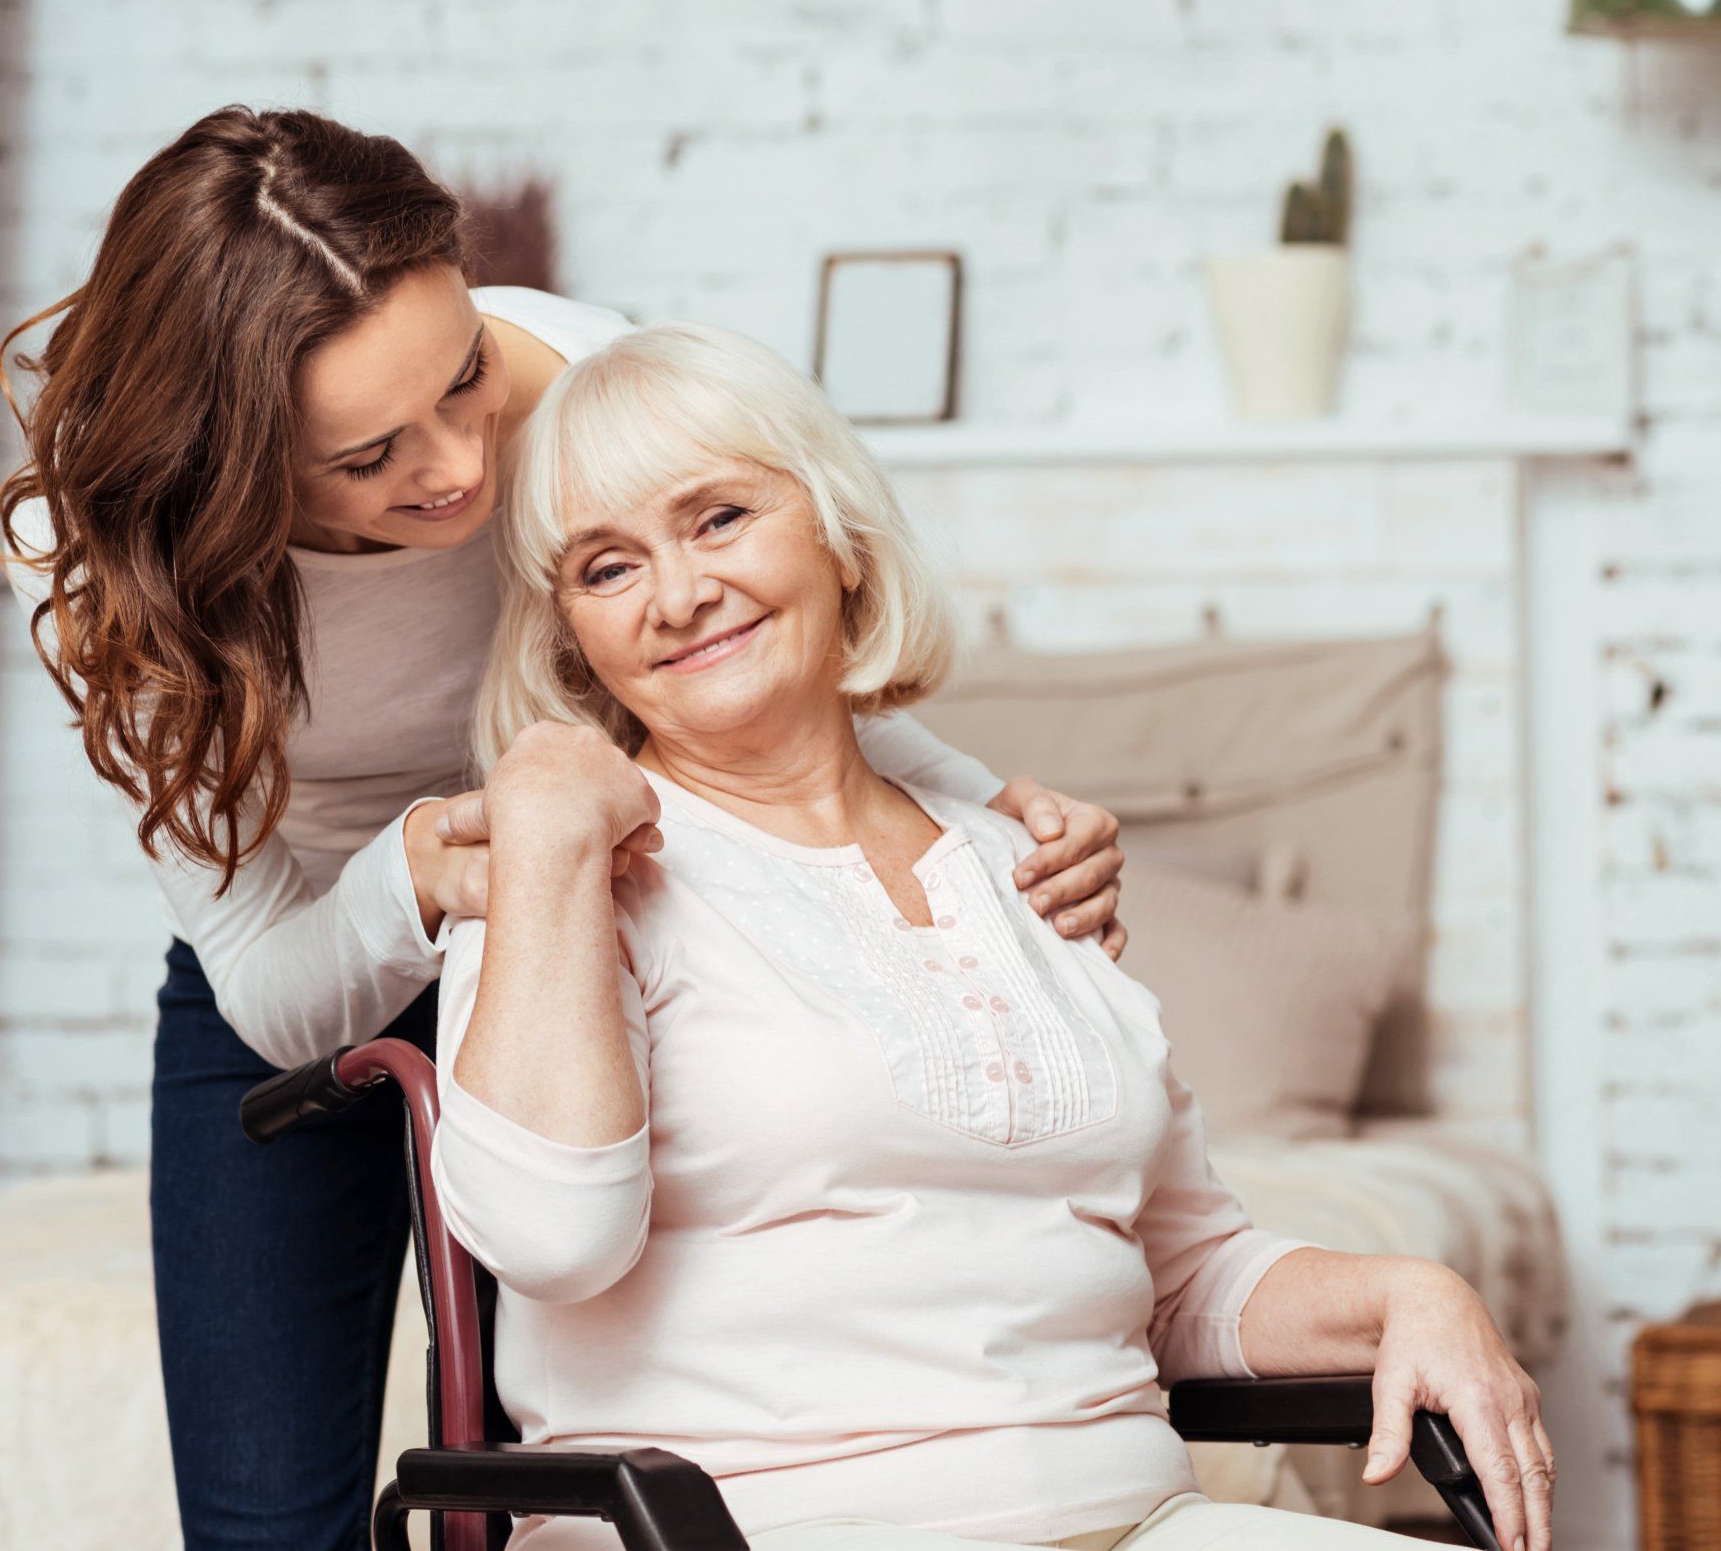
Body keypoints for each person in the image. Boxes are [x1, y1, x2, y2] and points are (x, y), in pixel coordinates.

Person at [0, 105, 1131, 1551]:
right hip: (304, 945)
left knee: (552, 1465)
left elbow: (754, 667)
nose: (461, 469)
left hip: (588, 911)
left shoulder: (592, 382)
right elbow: (274, 991)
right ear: (231, 462)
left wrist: (987, 823)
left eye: (464, 377)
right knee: (267, 1523)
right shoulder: (127, 561)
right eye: (367, 455)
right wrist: (408, 875)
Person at [434, 322, 1556, 1551]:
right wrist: (544, 822)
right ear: (569, 636)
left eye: (718, 519)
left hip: (1134, 1522)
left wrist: (1412, 1293)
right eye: (606, 569)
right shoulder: (565, 879)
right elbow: (547, 1242)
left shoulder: (1025, 866)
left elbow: (1182, 1272)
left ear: (839, 533)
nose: (680, 594)